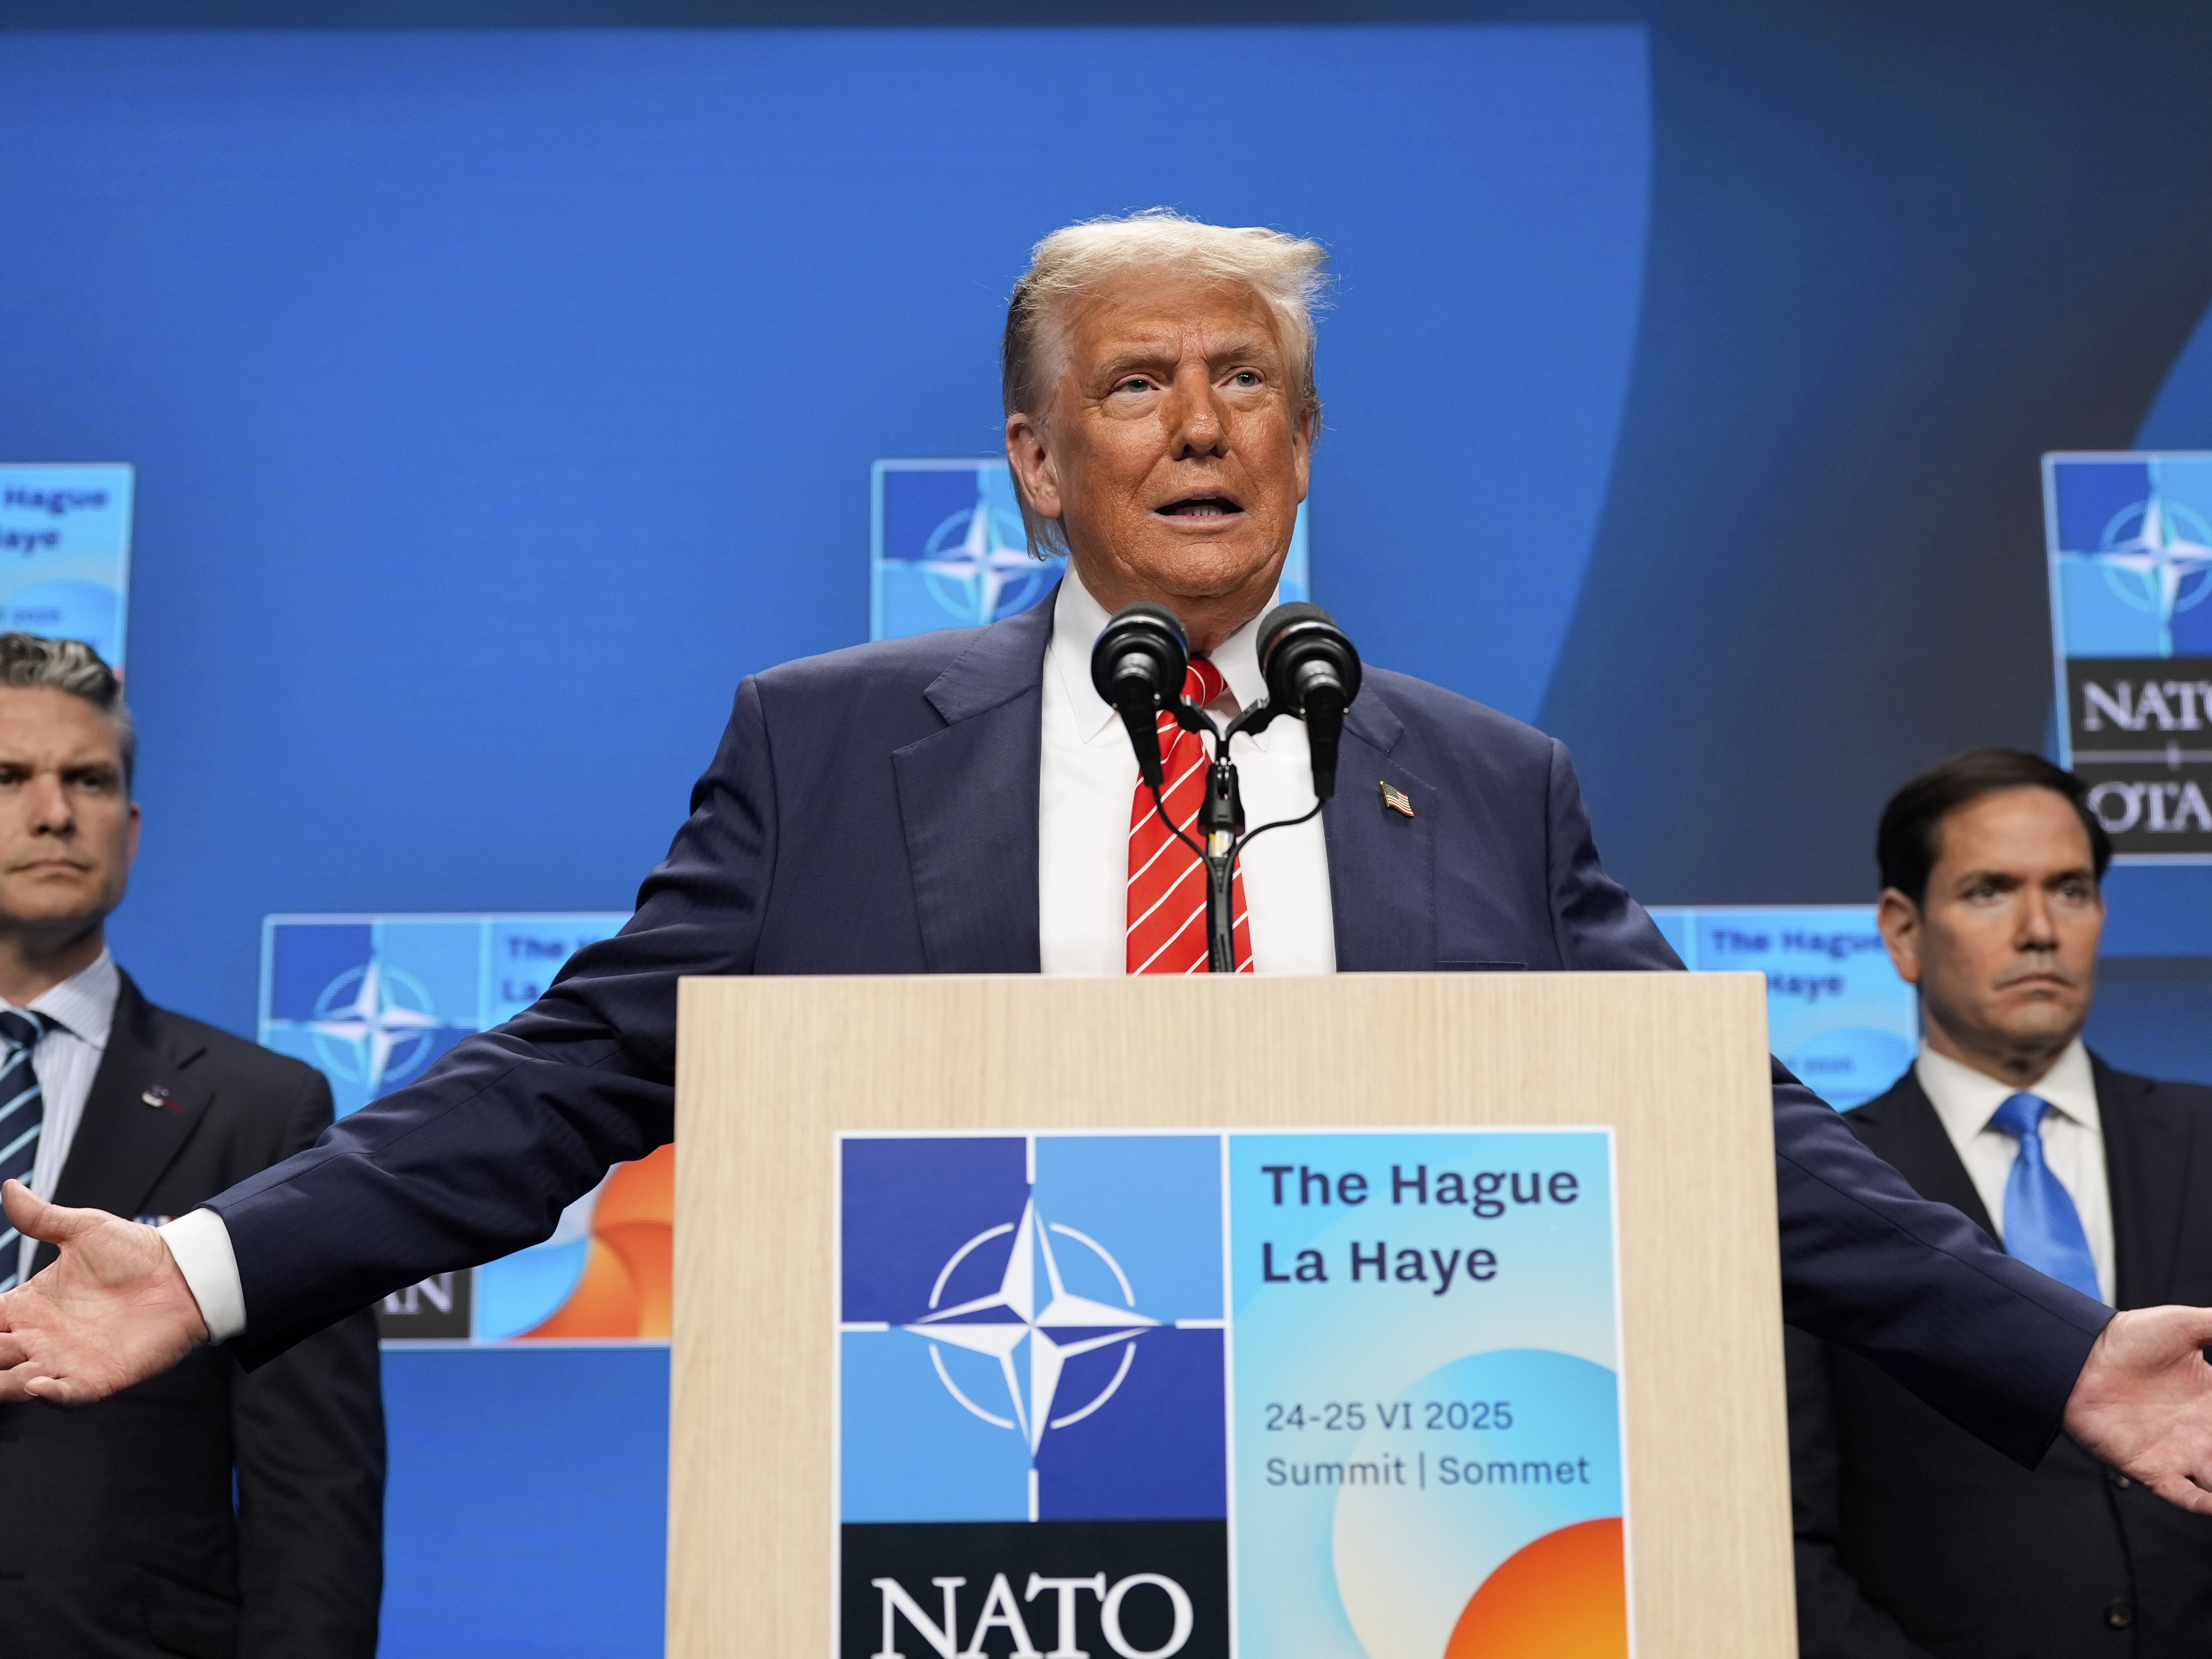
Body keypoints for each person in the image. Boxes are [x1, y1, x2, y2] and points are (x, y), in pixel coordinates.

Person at [5, 211, 2212, 1511]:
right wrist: (207, 1262)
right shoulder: (833, 744)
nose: (1199, 421)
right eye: (1137, 382)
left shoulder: (1481, 780)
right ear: (1035, 461)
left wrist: (2055, 1352)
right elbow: (567, 1075)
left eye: (1246, 381)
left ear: (1304, 445)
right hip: (973, 1494)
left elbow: (1729, 1127)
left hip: (1392, 1509)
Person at [0, 635, 383, 1658]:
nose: (53, 811)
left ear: (130, 827)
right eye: (9, 776)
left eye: (90, 779)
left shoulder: (265, 1112)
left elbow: (315, 1488)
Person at [1788, 750, 2212, 1657]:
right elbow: (1788, 1544)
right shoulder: (1819, 1195)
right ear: (1903, 932)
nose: (2038, 930)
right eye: (1989, 891)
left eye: (2069, 890)